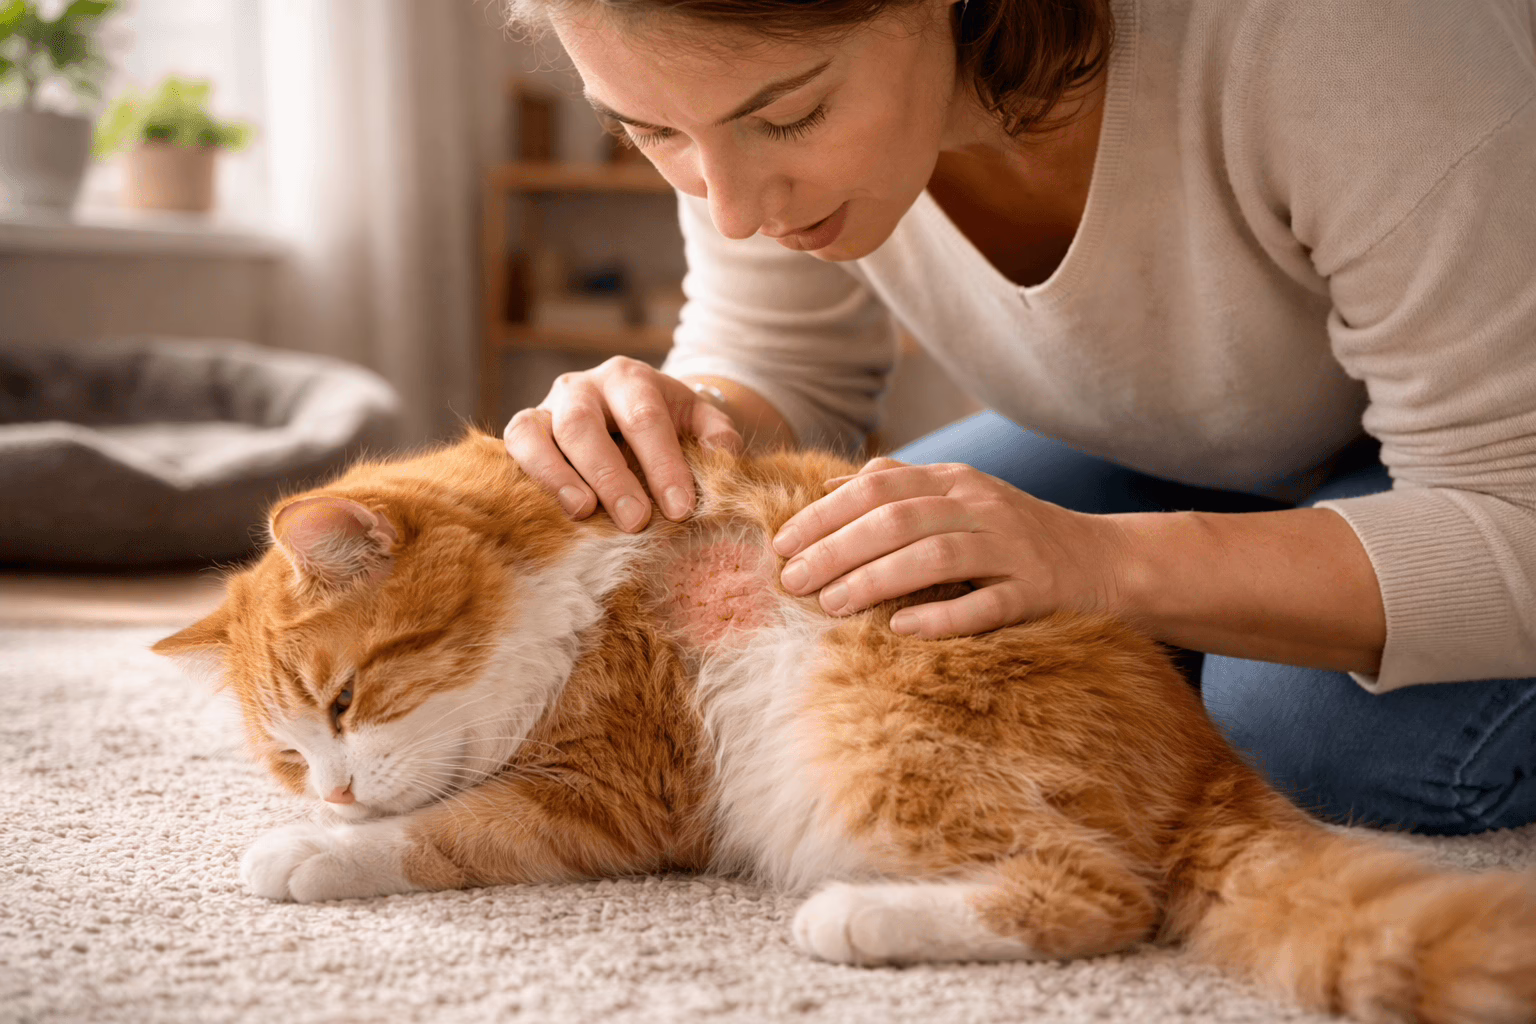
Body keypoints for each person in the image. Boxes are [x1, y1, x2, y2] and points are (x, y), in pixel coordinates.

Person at [500, 0, 1536, 835]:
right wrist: (687, 420)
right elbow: (780, 355)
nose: (728, 206)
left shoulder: (1345, 36)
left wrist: (1101, 565)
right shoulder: (727, 103)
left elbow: (1515, 514)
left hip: (1488, 480)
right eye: (651, 131)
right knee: (851, 584)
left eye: (791, 116)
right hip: (1209, 449)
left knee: (1295, 723)